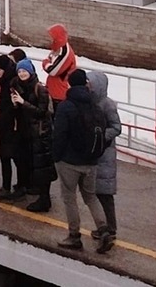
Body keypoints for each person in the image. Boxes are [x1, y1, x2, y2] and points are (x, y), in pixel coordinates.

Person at [52, 69, 113, 253]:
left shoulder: (66, 106)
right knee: (91, 197)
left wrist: (56, 156)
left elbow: (60, 134)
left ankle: (74, 236)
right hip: (91, 161)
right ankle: (104, 230)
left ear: (69, 84)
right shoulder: (95, 106)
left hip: (69, 161)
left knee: (69, 198)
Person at [11, 58, 55, 212]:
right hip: (25, 131)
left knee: (42, 166)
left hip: (39, 133)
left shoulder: (40, 89)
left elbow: (42, 112)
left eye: (24, 71)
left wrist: (23, 103)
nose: (22, 74)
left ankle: (44, 199)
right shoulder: (17, 86)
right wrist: (16, 104)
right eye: (20, 71)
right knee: (28, 162)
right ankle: (30, 188)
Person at [87, 70, 122, 242]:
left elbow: (116, 127)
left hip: (105, 154)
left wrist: (100, 136)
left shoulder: (107, 105)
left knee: (105, 194)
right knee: (95, 192)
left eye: (90, 83)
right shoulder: (90, 102)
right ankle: (103, 227)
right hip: (95, 152)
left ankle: (111, 228)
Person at [0, 54, 26, 202]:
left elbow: (11, 107)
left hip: (10, 127)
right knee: (16, 157)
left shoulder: (10, 84)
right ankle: (22, 185)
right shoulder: (9, 81)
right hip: (13, 126)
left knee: (6, 156)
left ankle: (6, 188)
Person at [43, 23, 76, 107]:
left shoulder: (65, 52)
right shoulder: (58, 48)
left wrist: (45, 63)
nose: (50, 39)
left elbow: (53, 70)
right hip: (54, 89)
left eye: (51, 36)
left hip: (60, 93)